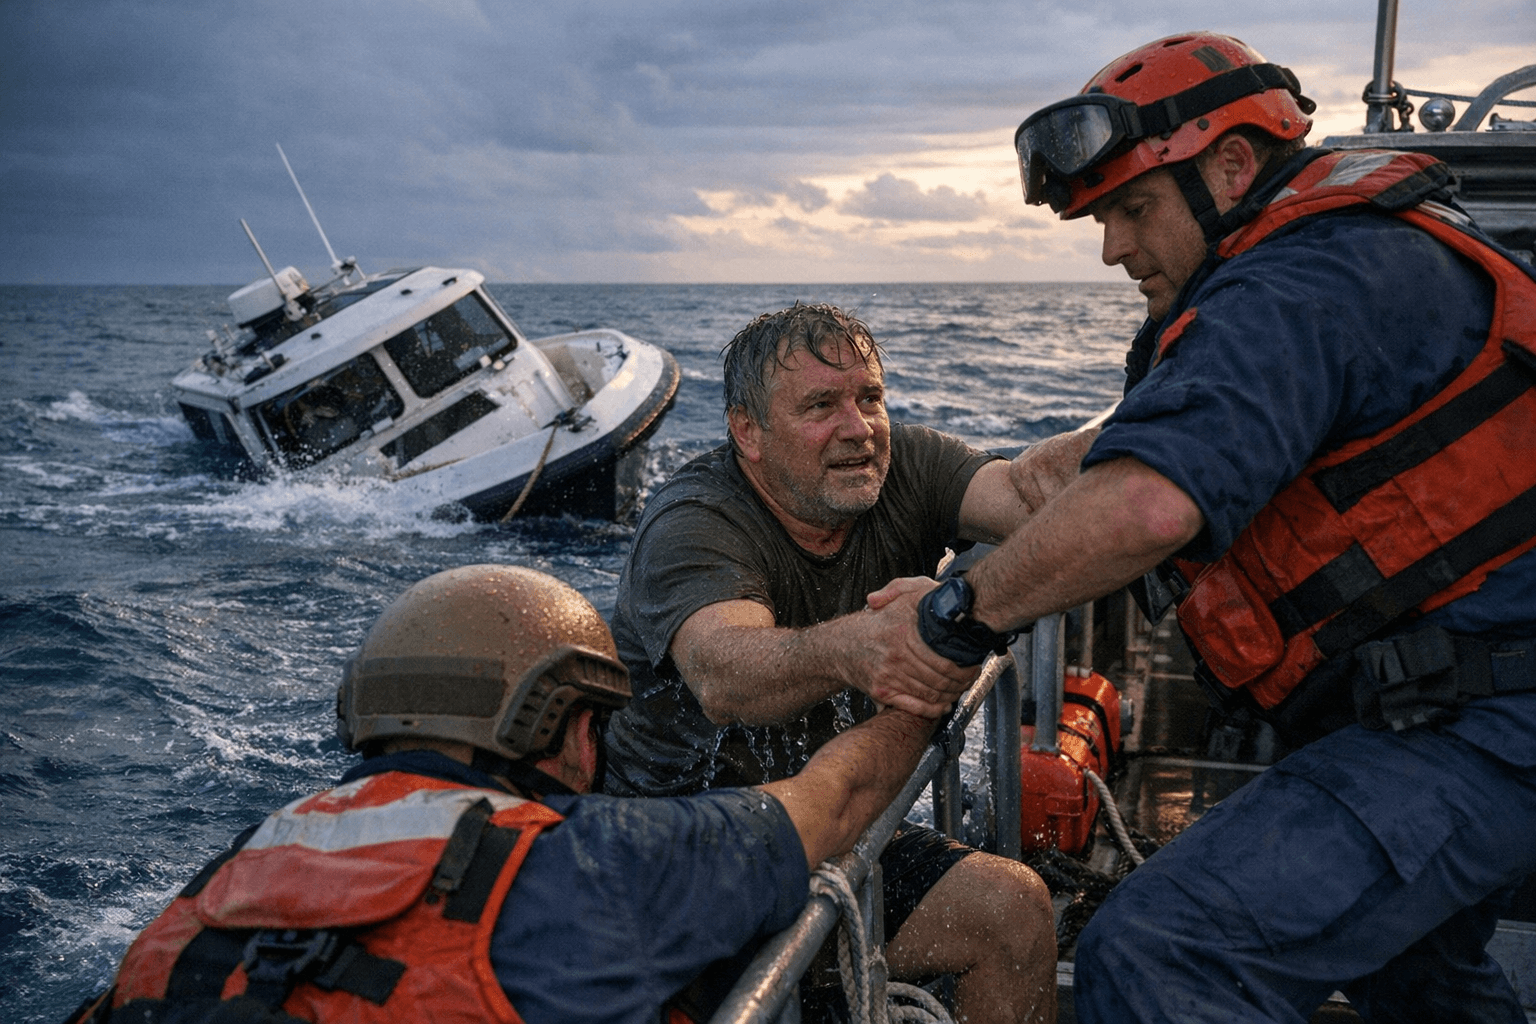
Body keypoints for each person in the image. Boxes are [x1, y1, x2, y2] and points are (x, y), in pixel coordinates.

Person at [890, 31, 1536, 1024]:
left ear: (1233, 165)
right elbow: (1131, 459)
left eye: (1135, 209)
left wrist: (952, 617)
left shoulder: (1297, 282)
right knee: (1417, 975)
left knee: (1163, 953)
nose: (1113, 247)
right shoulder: (1339, 256)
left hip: (1488, 723)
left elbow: (1149, 504)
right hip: (1452, 703)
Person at [67, 564, 963, 1024]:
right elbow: (839, 798)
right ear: (567, 728)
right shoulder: (595, 861)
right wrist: (939, 655)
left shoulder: (226, 873)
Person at [602, 303, 1058, 1024]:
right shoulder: (694, 522)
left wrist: (1169, 419)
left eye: (869, 397)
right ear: (747, 432)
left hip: (836, 829)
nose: (858, 428)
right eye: (820, 406)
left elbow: (1034, 497)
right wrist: (866, 645)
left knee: (1015, 910)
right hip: (683, 859)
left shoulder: (906, 465)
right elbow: (725, 673)